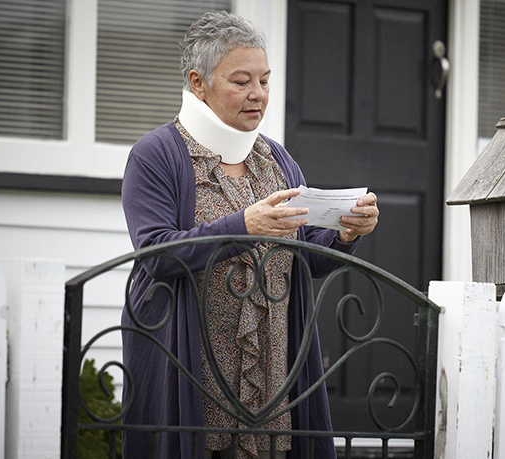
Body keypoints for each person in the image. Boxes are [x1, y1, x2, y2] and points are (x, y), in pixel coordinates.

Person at [120, 10, 379, 459]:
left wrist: (344, 233)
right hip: (190, 370)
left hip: (270, 374)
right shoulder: (156, 155)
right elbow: (155, 255)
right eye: (241, 81)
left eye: (264, 80)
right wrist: (242, 227)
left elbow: (305, 258)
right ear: (198, 84)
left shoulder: (276, 160)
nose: (258, 94)